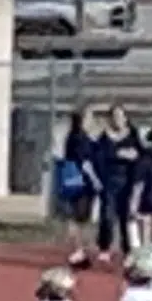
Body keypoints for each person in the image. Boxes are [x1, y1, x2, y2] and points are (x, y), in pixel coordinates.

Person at [92, 105, 140, 264]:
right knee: (107, 215)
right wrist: (119, 154)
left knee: (126, 217)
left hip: (127, 181)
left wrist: (130, 156)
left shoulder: (133, 134)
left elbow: (137, 155)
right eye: (114, 116)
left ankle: (128, 250)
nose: (118, 119)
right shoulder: (104, 137)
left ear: (125, 118)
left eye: (121, 116)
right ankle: (104, 248)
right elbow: (100, 157)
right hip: (109, 182)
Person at [53, 110, 98, 266]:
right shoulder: (81, 139)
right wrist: (96, 181)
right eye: (89, 118)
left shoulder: (72, 137)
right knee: (79, 219)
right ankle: (78, 251)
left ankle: (78, 250)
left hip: (74, 181)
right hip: (82, 183)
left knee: (77, 218)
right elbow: (85, 163)